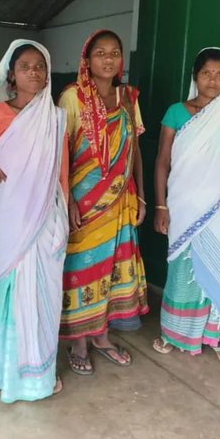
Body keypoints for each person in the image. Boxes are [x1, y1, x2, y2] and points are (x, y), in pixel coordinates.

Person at [0, 41, 69, 402]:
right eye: (25, 66)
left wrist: (66, 206)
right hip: (12, 215)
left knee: (44, 293)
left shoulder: (57, 117)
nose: (33, 72)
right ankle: (3, 372)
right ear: (11, 75)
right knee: (9, 288)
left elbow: (62, 169)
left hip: (47, 215)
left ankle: (37, 375)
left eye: (40, 66)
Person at [153, 48, 220, 365]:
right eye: (206, 73)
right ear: (195, 76)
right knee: (183, 268)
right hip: (183, 204)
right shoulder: (177, 112)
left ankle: (219, 335)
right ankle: (174, 332)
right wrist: (161, 206)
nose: (213, 80)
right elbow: (162, 162)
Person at [58, 29, 148, 376]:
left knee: (111, 268)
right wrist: (67, 199)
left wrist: (139, 193)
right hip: (85, 199)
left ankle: (102, 337)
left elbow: (135, 148)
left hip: (120, 199)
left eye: (115, 53)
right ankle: (79, 340)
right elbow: (61, 153)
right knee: (83, 269)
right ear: (87, 58)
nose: (108, 59)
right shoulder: (72, 97)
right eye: (100, 53)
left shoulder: (128, 97)